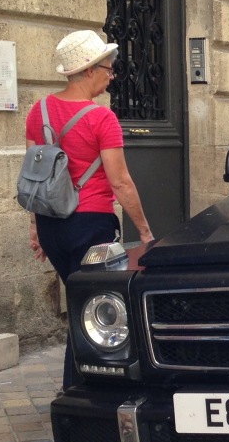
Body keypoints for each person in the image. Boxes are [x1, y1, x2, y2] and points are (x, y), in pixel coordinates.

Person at [26, 30, 154, 387]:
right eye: (108, 69)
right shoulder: (102, 119)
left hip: (52, 224)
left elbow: (34, 176)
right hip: (91, 224)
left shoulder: (39, 112)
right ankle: (84, 386)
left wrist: (36, 228)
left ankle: (76, 382)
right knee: (96, 308)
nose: (111, 76)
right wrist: (144, 231)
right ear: (88, 71)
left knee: (79, 301)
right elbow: (120, 182)